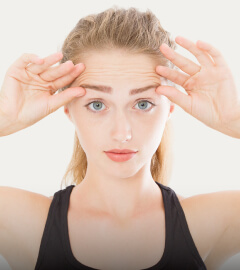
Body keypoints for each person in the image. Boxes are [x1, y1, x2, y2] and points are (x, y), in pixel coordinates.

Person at [0, 6, 240, 270]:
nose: (122, 133)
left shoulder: (213, 220)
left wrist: (234, 121)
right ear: (68, 110)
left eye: (143, 104)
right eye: (97, 105)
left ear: (169, 109)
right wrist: (4, 119)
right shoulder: (21, 221)